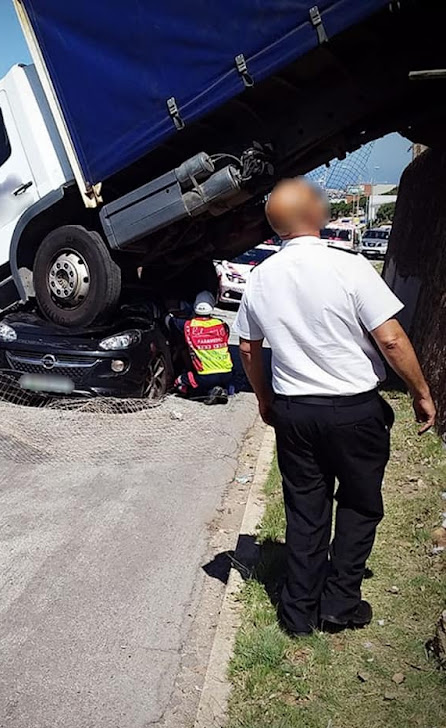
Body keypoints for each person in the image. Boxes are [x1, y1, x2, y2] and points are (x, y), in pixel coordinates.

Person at [235, 178, 436, 636]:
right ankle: (340, 604)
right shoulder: (350, 266)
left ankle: (297, 614)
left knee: (306, 510)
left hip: (295, 411)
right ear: (314, 215)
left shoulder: (261, 276)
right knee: (360, 504)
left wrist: (266, 399)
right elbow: (389, 337)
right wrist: (421, 392)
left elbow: (249, 348)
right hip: (353, 409)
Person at [168, 291, 233, 405]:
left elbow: (169, 320)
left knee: (179, 383)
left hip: (205, 376)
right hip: (227, 373)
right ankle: (222, 390)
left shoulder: (187, 325)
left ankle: (208, 392)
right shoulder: (222, 325)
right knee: (223, 381)